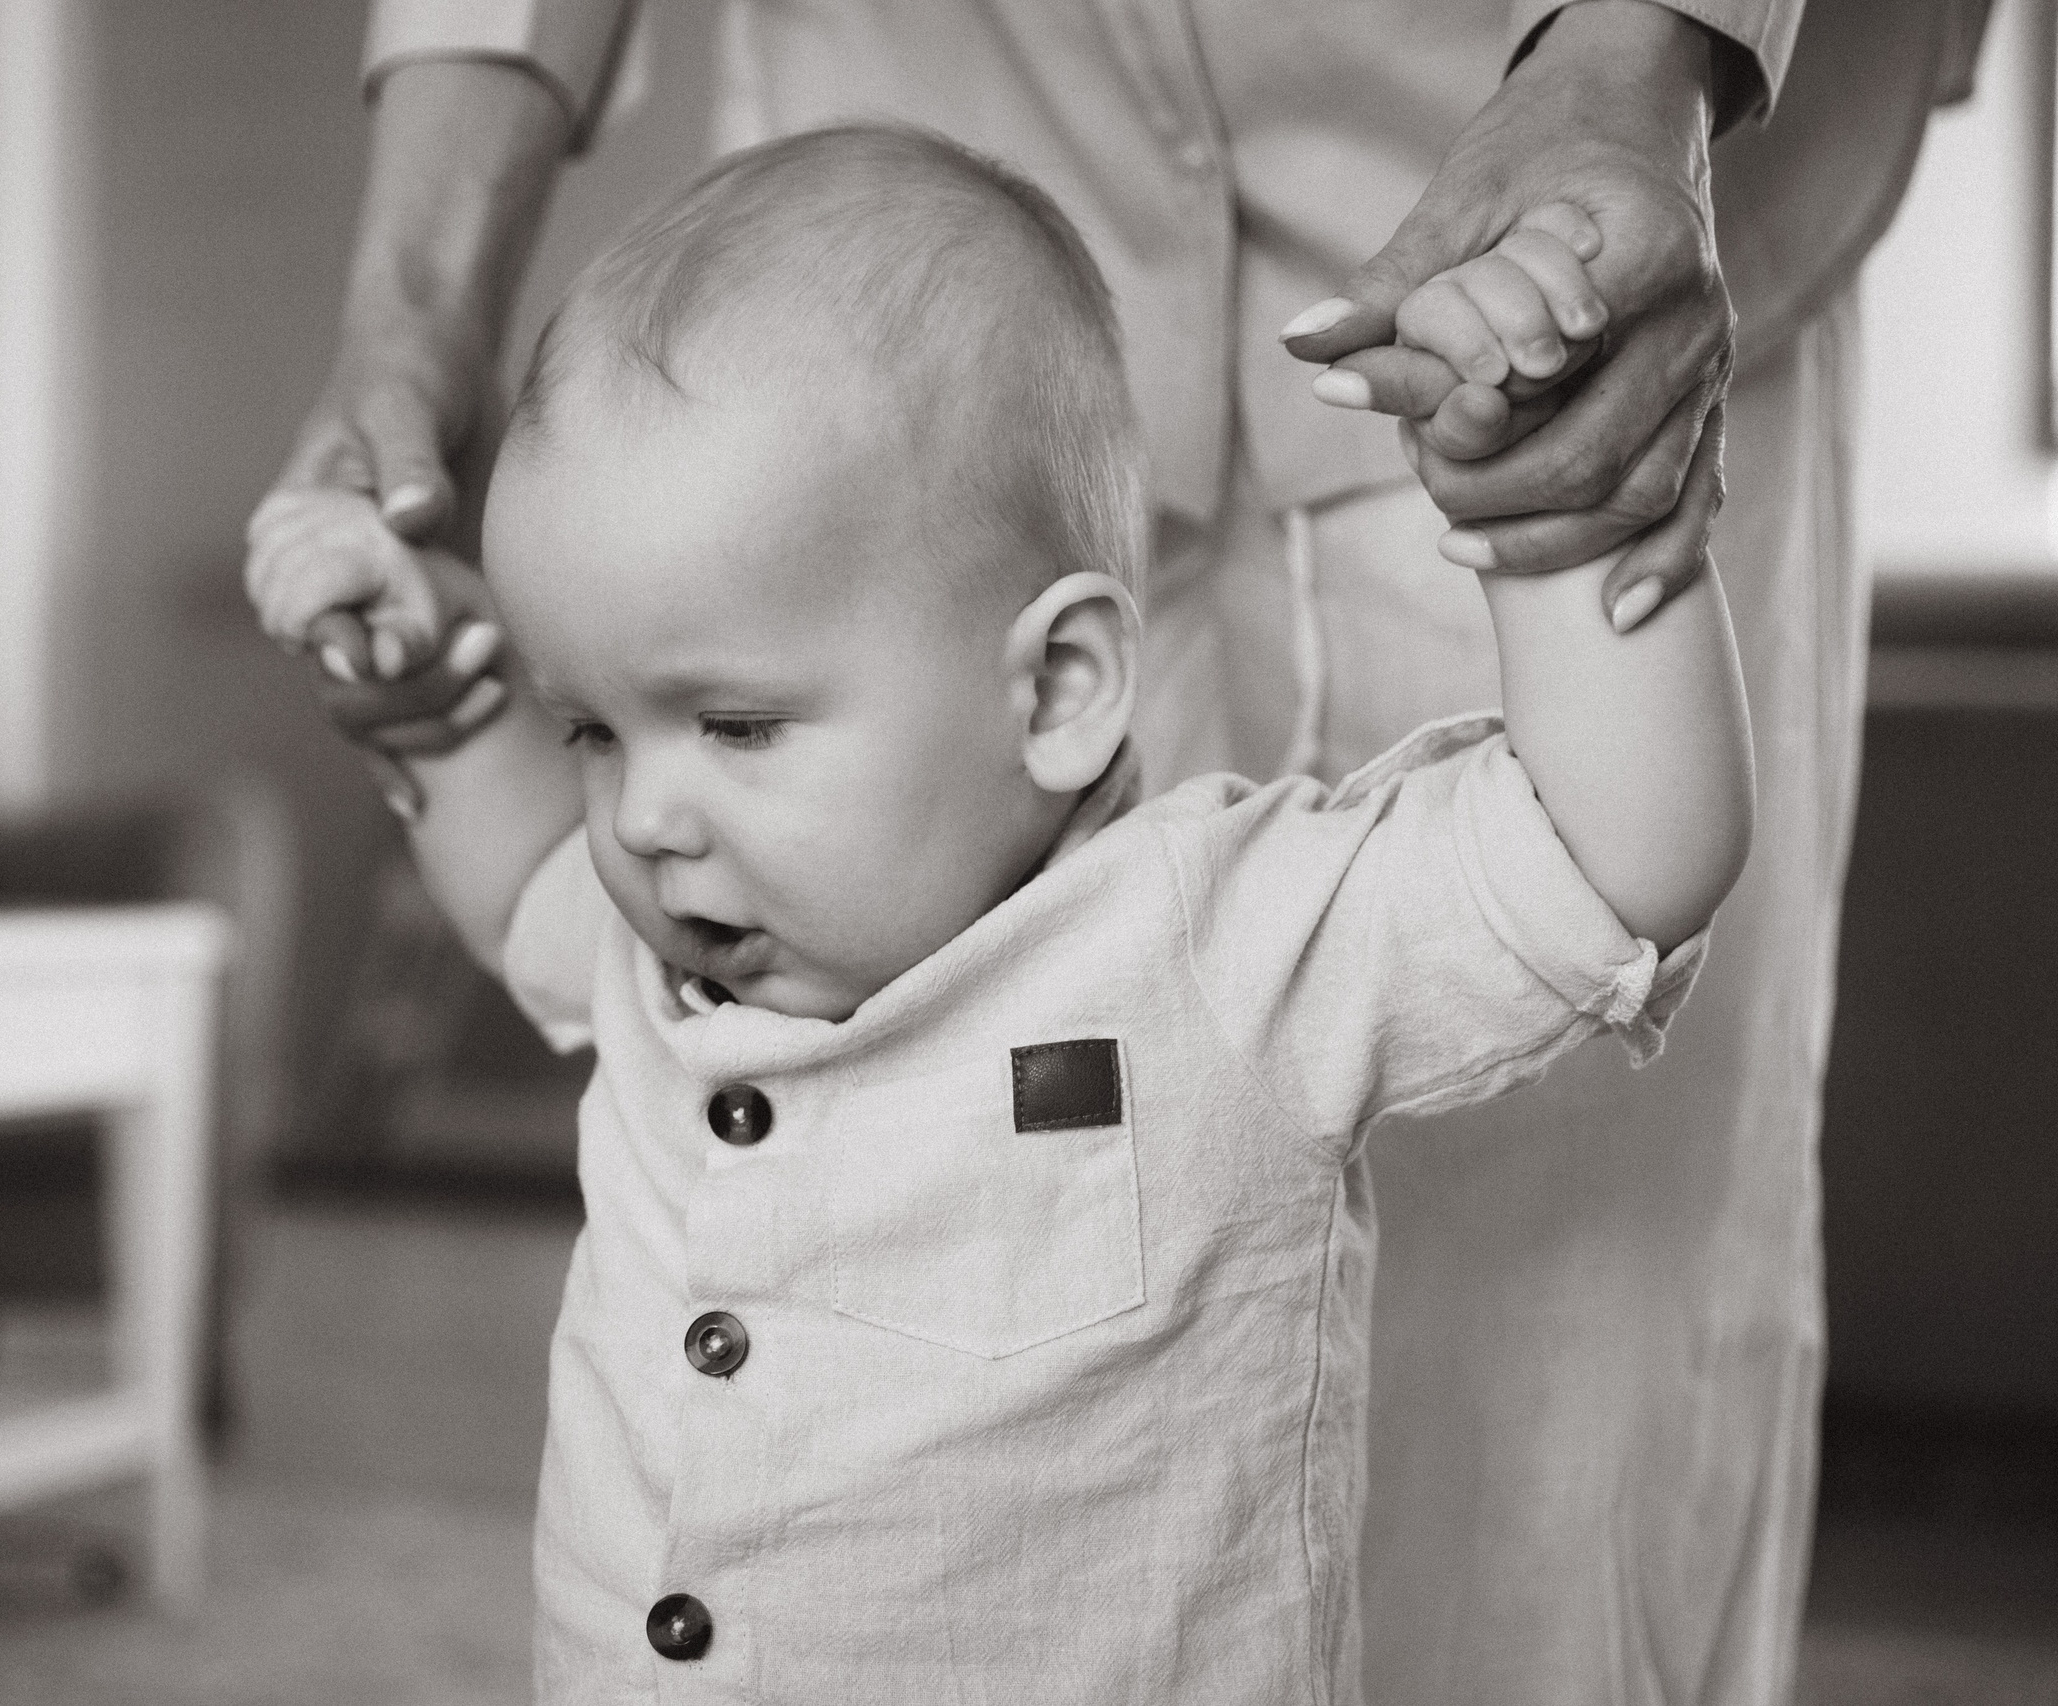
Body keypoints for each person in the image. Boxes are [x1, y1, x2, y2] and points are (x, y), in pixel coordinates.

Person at [244, 4, 1989, 1699]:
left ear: (1064, 685)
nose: (641, 816)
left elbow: (1619, 863)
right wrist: (431, 701)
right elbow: (525, 886)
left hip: (1457, 213)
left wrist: (1558, 522)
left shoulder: (1227, 947)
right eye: (590, 731)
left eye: (740, 726)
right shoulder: (678, 967)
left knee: (1552, 1430)